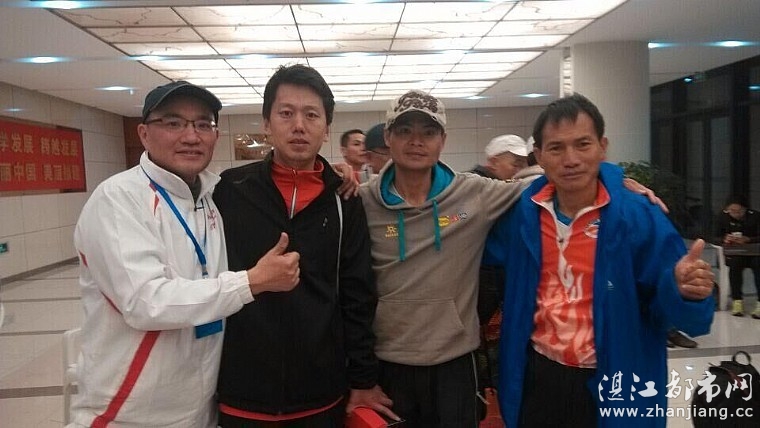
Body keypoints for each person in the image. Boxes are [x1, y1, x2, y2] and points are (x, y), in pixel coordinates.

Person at [357, 90, 663, 427]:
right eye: (404, 131)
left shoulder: (473, 193)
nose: (416, 141)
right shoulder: (361, 201)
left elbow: (557, 178)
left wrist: (614, 182)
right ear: (388, 138)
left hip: (455, 362)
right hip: (388, 363)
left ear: (442, 140)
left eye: (428, 132)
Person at [70, 81, 300, 427]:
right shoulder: (118, 199)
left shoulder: (211, 197)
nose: (191, 136)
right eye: (173, 123)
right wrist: (250, 283)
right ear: (144, 133)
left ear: (215, 135)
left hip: (199, 408)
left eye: (203, 124)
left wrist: (340, 175)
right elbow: (145, 301)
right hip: (128, 413)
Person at [484, 93, 715, 428]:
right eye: (556, 148)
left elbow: (677, 315)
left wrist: (683, 290)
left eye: (583, 144)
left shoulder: (638, 216)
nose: (571, 159)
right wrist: (443, 221)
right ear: (540, 156)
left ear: (602, 147)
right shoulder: (524, 213)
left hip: (617, 375)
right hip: (539, 376)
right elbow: (470, 237)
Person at [213, 64, 396, 427]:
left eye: (312, 115)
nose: (299, 125)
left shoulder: (344, 200)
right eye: (286, 113)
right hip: (241, 390)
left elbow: (358, 294)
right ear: (267, 123)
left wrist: (362, 378)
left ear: (327, 128)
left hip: (321, 392)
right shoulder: (229, 191)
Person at [714, 195, 760, 318]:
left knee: (758, 265)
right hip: (735, 252)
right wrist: (725, 239)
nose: (736, 214)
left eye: (739, 211)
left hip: (754, 253)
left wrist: (748, 239)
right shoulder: (723, 217)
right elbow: (714, 237)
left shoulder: (755, 217)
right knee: (735, 265)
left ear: (745, 209)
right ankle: (737, 300)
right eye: (732, 211)